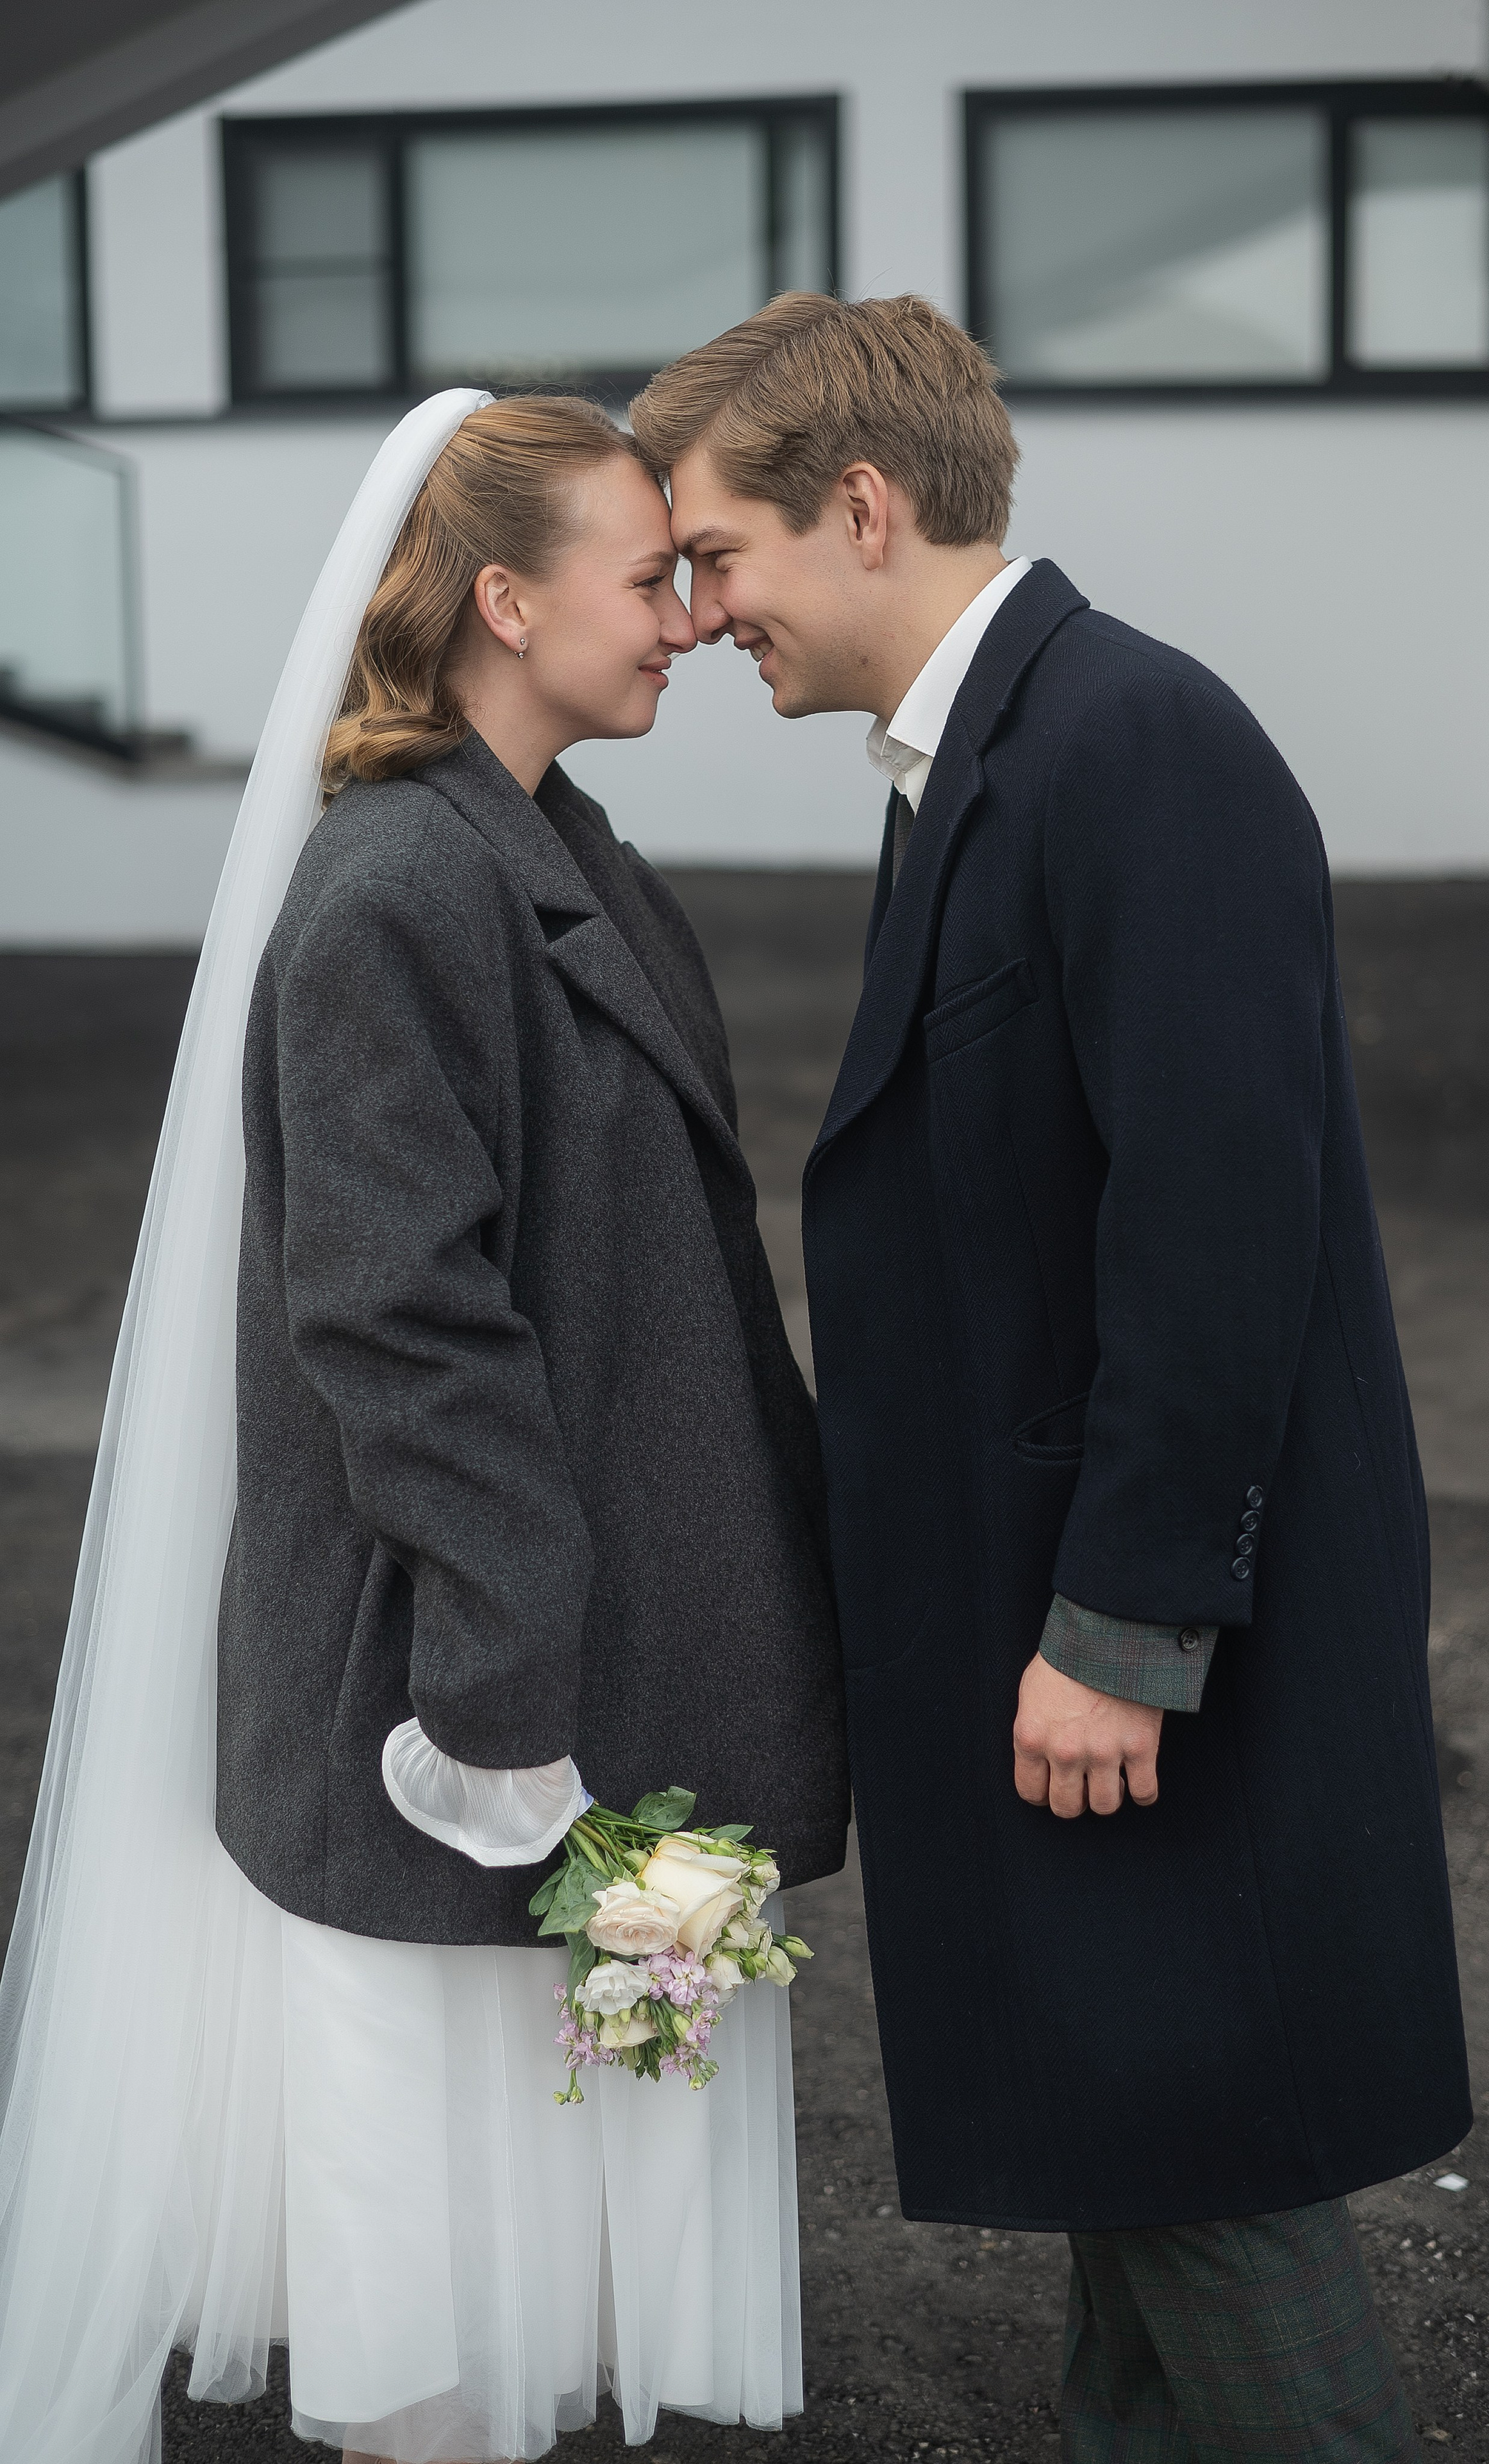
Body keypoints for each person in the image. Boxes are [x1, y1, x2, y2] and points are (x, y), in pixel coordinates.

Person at [631, 294, 1472, 2463]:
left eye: (716, 556)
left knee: (1203, 2166)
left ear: (866, 506)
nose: (701, 611)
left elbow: (1220, 1227)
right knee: (1140, 2161)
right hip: (1068, 1642)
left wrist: (1122, 1626)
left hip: (1153, 1655)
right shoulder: (993, 751)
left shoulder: (1133, 742)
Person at [0, 390, 845, 2464]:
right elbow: (399, 1324)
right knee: (431, 2287)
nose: (683, 622)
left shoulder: (562, 854)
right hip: (464, 1703)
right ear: (500, 597)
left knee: (518, 2230)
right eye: (647, 579)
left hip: (579, 1675)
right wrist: (498, 1697)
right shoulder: (395, 884)